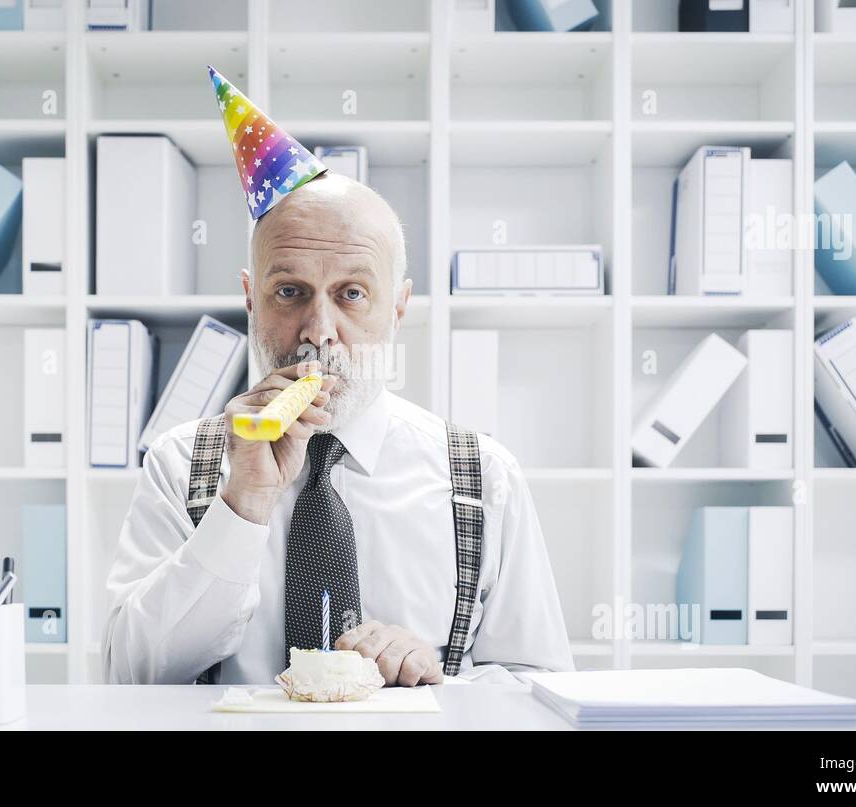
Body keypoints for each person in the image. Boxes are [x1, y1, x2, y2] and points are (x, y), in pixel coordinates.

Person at [102, 66, 573, 687]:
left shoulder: (486, 479)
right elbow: (128, 675)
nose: (317, 329)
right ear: (250, 299)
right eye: (289, 290)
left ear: (398, 306)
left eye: (351, 293)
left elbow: (544, 690)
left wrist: (439, 686)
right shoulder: (179, 462)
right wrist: (241, 507)